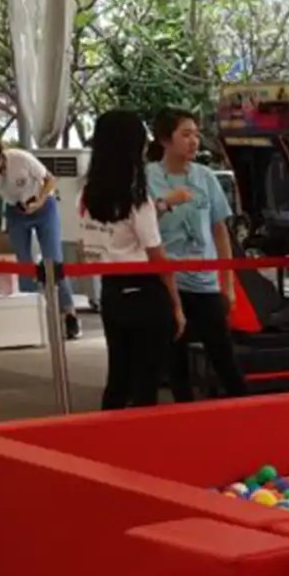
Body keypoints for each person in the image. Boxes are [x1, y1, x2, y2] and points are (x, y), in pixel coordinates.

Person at [77, 111, 185, 410]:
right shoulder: (136, 198)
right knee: (145, 385)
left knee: (118, 380)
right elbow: (157, 256)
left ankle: (108, 445)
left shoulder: (87, 196)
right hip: (146, 295)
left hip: (112, 292)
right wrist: (176, 305)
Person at [146, 109, 246, 401]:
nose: (194, 141)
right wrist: (165, 202)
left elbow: (219, 230)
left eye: (196, 134)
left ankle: (246, 411)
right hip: (168, 282)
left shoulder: (205, 177)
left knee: (223, 355)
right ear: (165, 140)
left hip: (205, 282)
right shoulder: (149, 177)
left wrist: (226, 283)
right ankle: (185, 415)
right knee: (175, 361)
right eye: (185, 134)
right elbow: (138, 223)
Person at [0, 136, 80, 339]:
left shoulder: (20, 159)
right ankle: (33, 316)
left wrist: (39, 201)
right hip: (15, 211)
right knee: (24, 264)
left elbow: (49, 180)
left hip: (44, 207)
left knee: (53, 261)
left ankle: (69, 314)